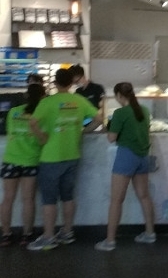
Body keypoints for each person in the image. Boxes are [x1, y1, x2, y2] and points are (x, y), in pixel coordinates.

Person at [27, 67, 101, 251]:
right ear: (71, 83)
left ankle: (48, 237)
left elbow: (32, 122)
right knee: (68, 196)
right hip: (72, 155)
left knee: (49, 199)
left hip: (51, 157)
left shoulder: (47, 102)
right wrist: (83, 131)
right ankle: (67, 232)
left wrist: (42, 138)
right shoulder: (79, 100)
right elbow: (99, 119)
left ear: (55, 83)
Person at [95, 82, 156, 251]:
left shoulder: (120, 113)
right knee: (144, 196)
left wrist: (108, 126)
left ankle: (110, 241)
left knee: (116, 200)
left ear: (119, 96)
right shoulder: (144, 110)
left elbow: (111, 138)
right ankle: (150, 233)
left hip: (126, 156)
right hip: (143, 156)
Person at [1, 83, 46, 247]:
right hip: (31, 160)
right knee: (28, 199)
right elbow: (42, 139)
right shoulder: (41, 115)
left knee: (8, 198)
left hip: (11, 159)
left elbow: (9, 132)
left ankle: (6, 234)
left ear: (26, 95)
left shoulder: (13, 112)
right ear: (43, 97)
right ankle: (27, 234)